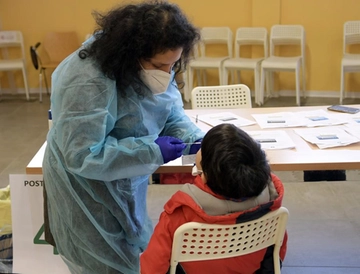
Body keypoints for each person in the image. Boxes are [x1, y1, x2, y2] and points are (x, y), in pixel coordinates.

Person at [42, 1, 204, 273]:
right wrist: (150, 151)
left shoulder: (154, 65)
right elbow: (83, 154)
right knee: (102, 263)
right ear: (132, 53)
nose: (167, 74)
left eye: (173, 64)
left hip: (124, 182)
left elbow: (169, 111)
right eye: (159, 65)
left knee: (130, 253)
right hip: (85, 194)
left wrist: (195, 138)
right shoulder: (87, 80)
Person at [140, 124, 288, 274]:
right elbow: (276, 252)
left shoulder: (180, 214)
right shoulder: (271, 201)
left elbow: (152, 268)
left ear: (204, 176)